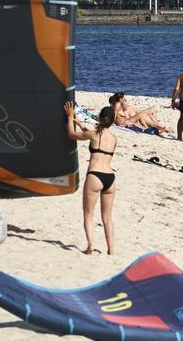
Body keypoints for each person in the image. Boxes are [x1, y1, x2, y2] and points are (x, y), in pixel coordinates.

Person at [64, 101, 118, 255]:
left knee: (88, 213)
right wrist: (80, 124)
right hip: (110, 178)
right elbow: (94, 136)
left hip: (95, 176)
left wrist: (69, 118)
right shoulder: (114, 138)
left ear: (100, 118)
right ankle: (111, 250)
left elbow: (71, 135)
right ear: (112, 121)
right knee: (107, 217)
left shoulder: (94, 134)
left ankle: (90, 246)